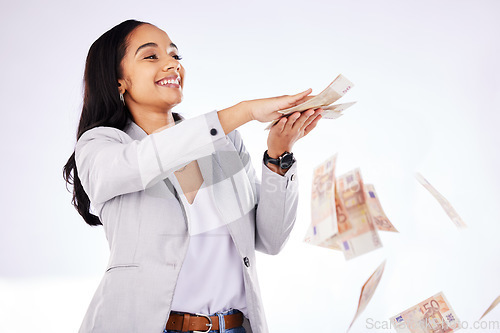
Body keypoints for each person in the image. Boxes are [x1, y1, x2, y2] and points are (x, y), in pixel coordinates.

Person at [63, 19, 323, 333]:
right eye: (151, 56)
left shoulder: (222, 144)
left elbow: (271, 239)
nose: (172, 63)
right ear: (120, 81)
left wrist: (278, 156)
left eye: (175, 56)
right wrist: (243, 112)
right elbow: (143, 162)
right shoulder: (102, 145)